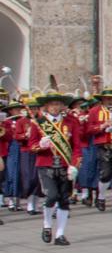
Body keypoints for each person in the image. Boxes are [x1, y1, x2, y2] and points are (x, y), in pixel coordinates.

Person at [26, 89, 82, 244]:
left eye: (58, 104)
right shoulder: (39, 123)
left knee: (64, 199)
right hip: (46, 165)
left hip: (65, 165)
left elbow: (77, 146)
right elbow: (31, 146)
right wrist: (41, 145)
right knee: (51, 196)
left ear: (62, 106)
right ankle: (47, 225)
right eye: (52, 104)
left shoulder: (71, 122)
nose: (55, 107)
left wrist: (74, 165)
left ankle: (60, 234)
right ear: (46, 106)